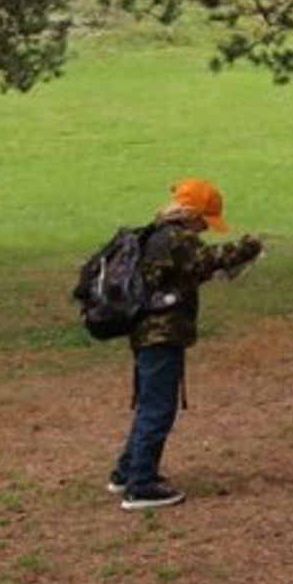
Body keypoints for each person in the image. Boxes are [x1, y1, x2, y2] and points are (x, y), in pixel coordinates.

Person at [106, 177, 263, 511]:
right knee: (159, 407)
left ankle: (126, 471)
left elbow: (190, 272)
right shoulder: (178, 240)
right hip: (161, 334)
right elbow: (209, 261)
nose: (205, 229)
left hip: (145, 332)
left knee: (149, 401)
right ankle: (142, 484)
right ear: (192, 214)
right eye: (206, 221)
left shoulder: (155, 235)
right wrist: (247, 247)